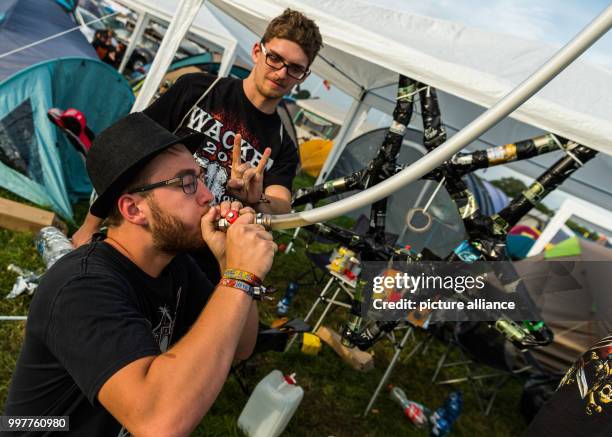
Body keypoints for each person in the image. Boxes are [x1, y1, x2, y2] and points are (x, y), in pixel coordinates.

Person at [4, 113, 276, 436]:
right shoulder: (81, 287)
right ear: (134, 209)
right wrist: (239, 277)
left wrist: (229, 265)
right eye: (188, 183)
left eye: (201, 178)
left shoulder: (174, 266)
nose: (207, 196)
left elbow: (241, 347)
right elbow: (158, 422)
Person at [72, 8, 323, 248]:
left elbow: (281, 205)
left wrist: (257, 199)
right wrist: (92, 222)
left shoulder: (283, 146)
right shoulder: (198, 90)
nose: (281, 73)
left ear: (304, 75)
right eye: (275, 58)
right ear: (258, 51)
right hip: (148, 231)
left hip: (204, 257)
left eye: (295, 68)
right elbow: (132, 147)